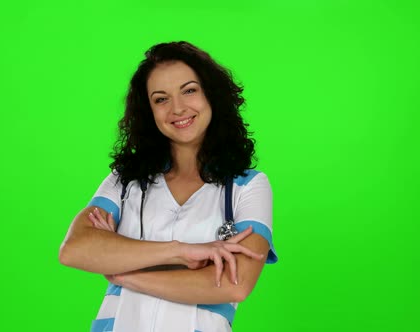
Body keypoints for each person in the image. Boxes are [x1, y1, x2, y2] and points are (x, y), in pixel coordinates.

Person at [59, 41, 278, 332]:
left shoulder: (247, 187)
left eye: (189, 90)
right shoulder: (125, 180)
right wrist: (180, 252)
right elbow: (75, 250)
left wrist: (124, 274)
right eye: (161, 99)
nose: (177, 108)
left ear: (211, 94)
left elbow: (234, 284)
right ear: (148, 111)